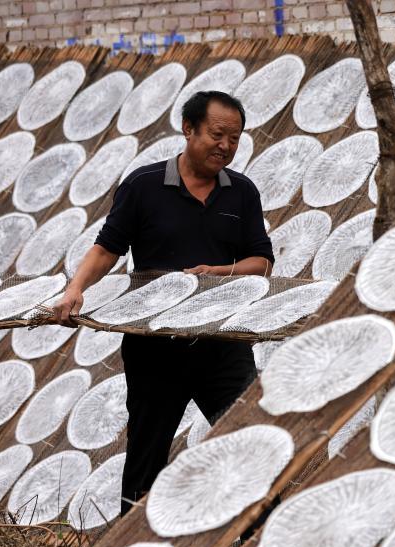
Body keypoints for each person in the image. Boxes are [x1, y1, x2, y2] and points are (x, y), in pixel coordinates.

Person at [53, 91, 274, 513]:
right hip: (155, 348)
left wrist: (218, 271)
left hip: (223, 344)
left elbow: (262, 262)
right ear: (188, 129)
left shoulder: (242, 192)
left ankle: (258, 541)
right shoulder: (144, 185)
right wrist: (75, 288)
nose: (225, 146)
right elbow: (107, 248)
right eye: (217, 135)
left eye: (234, 138)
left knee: (249, 446)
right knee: (146, 459)